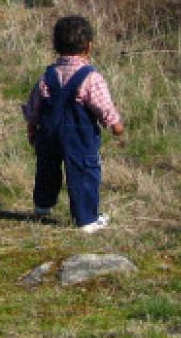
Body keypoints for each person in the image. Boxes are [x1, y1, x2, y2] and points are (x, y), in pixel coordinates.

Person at [23, 15, 124, 233]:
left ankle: (42, 207)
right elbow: (103, 105)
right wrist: (115, 125)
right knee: (84, 173)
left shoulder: (48, 76)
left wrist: (32, 128)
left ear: (55, 46)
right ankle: (87, 219)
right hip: (79, 137)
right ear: (89, 47)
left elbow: (34, 105)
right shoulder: (91, 77)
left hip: (48, 134)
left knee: (46, 171)